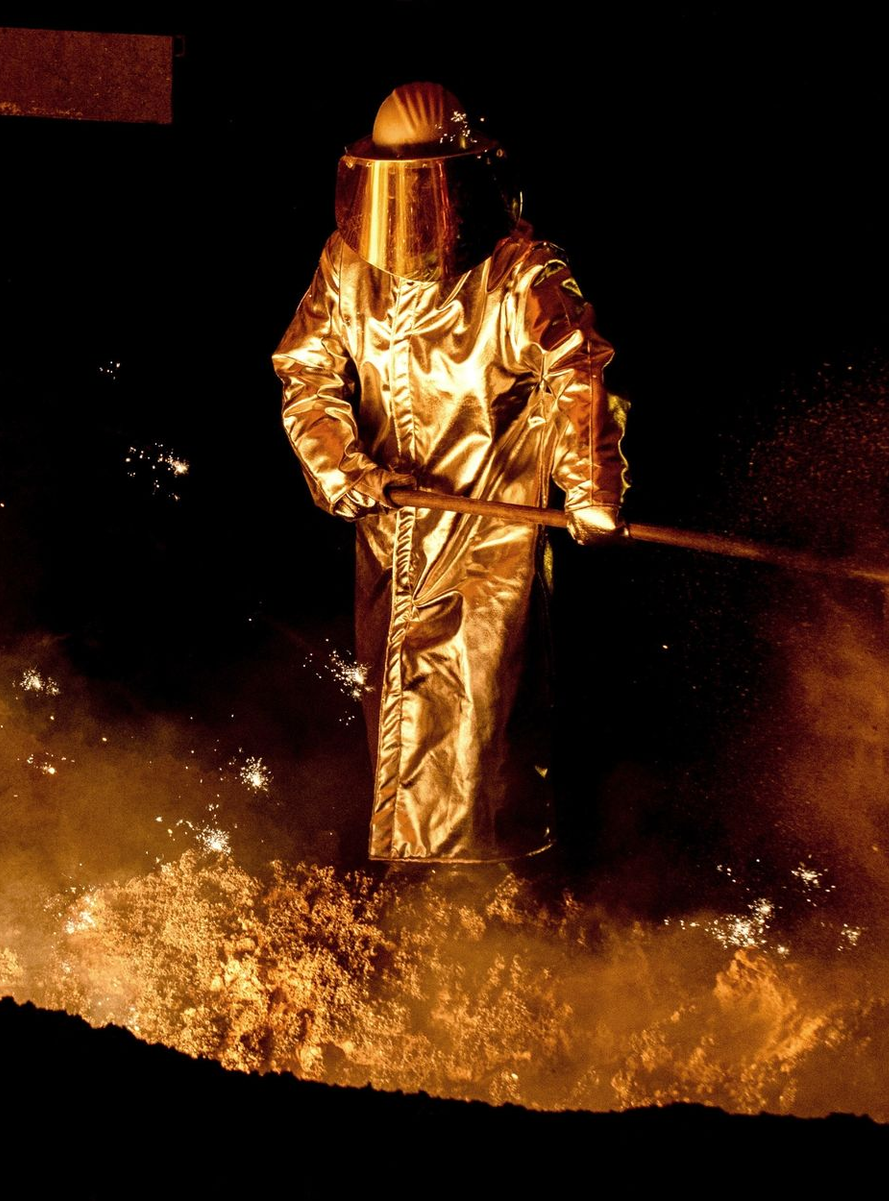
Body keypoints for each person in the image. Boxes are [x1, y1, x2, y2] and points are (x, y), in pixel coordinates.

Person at [272, 82, 628, 865]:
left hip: (489, 539)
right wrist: (342, 468)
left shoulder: (520, 272)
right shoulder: (348, 264)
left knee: (482, 728)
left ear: (466, 176)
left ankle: (500, 901)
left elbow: (579, 372)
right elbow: (306, 371)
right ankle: (415, 894)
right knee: (398, 714)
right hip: (391, 533)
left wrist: (590, 486)